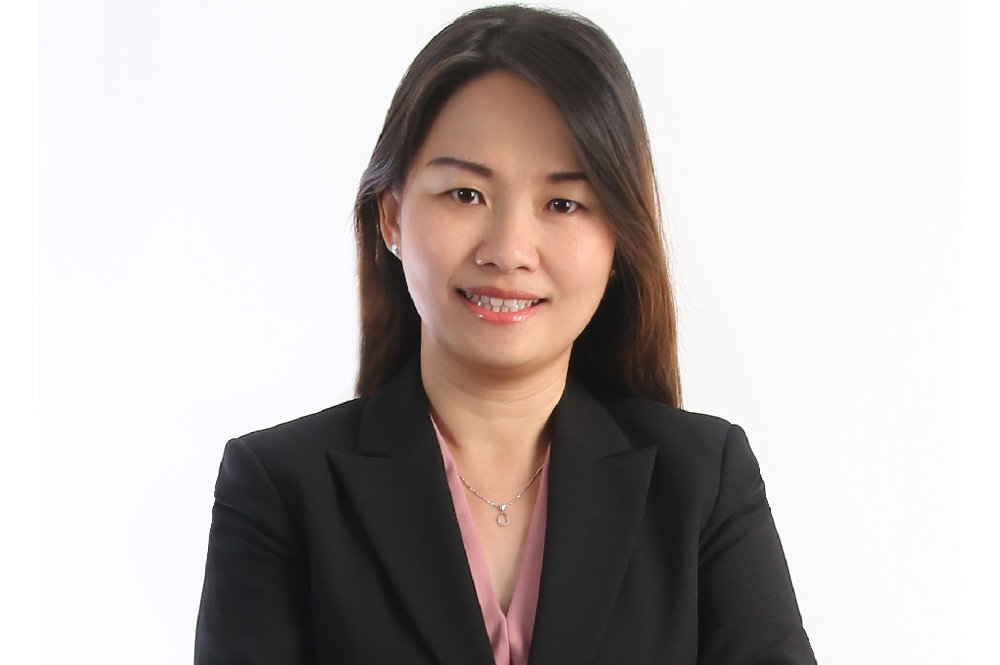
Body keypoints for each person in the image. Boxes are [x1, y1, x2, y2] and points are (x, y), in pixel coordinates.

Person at [194, 5, 816, 664]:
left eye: (563, 203)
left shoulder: (703, 482)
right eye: (466, 194)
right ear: (392, 215)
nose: (510, 250)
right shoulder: (279, 489)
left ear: (618, 239)